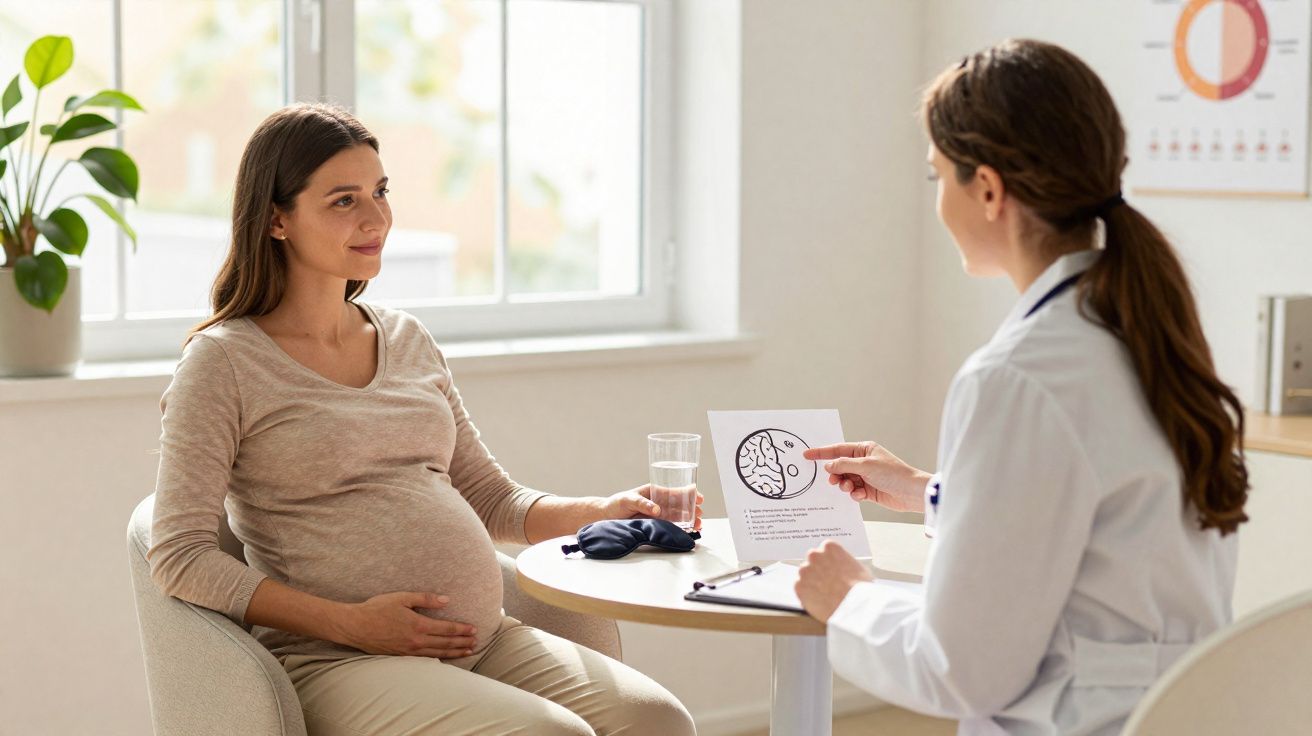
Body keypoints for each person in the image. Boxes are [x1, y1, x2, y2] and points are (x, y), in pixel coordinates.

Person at [148, 103, 698, 736]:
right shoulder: (224, 362)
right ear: (277, 219)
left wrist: (603, 510)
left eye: (381, 191)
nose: (376, 217)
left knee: (659, 720)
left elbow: (494, 500)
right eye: (343, 201)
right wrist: (346, 621)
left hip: (482, 638)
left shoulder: (408, 339)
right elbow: (179, 555)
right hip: (337, 657)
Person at [793, 39, 1249, 736]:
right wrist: (930, 491)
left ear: (987, 190)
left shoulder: (1015, 377)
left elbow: (960, 670)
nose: (937, 202)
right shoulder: (1150, 338)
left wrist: (850, 600)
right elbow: (1107, 527)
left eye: (937, 177)